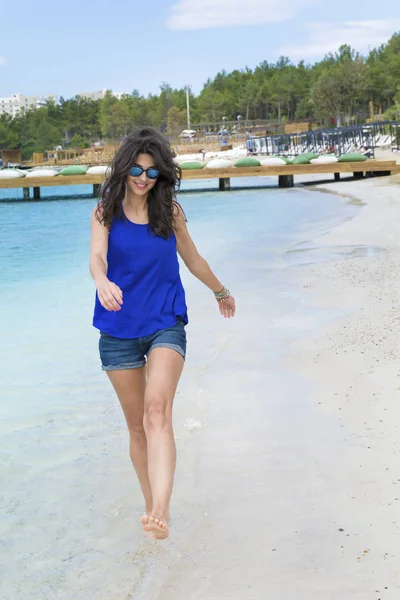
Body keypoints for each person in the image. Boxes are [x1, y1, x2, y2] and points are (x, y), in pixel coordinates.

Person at [89, 127, 236, 540]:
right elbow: (97, 256)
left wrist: (220, 290)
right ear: (124, 169)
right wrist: (101, 281)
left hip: (164, 322)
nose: (143, 178)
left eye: (152, 172)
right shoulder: (104, 212)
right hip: (117, 331)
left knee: (157, 410)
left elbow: (193, 258)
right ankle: (149, 506)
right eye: (136, 169)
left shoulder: (169, 212)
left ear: (161, 176)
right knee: (136, 426)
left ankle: (161, 510)